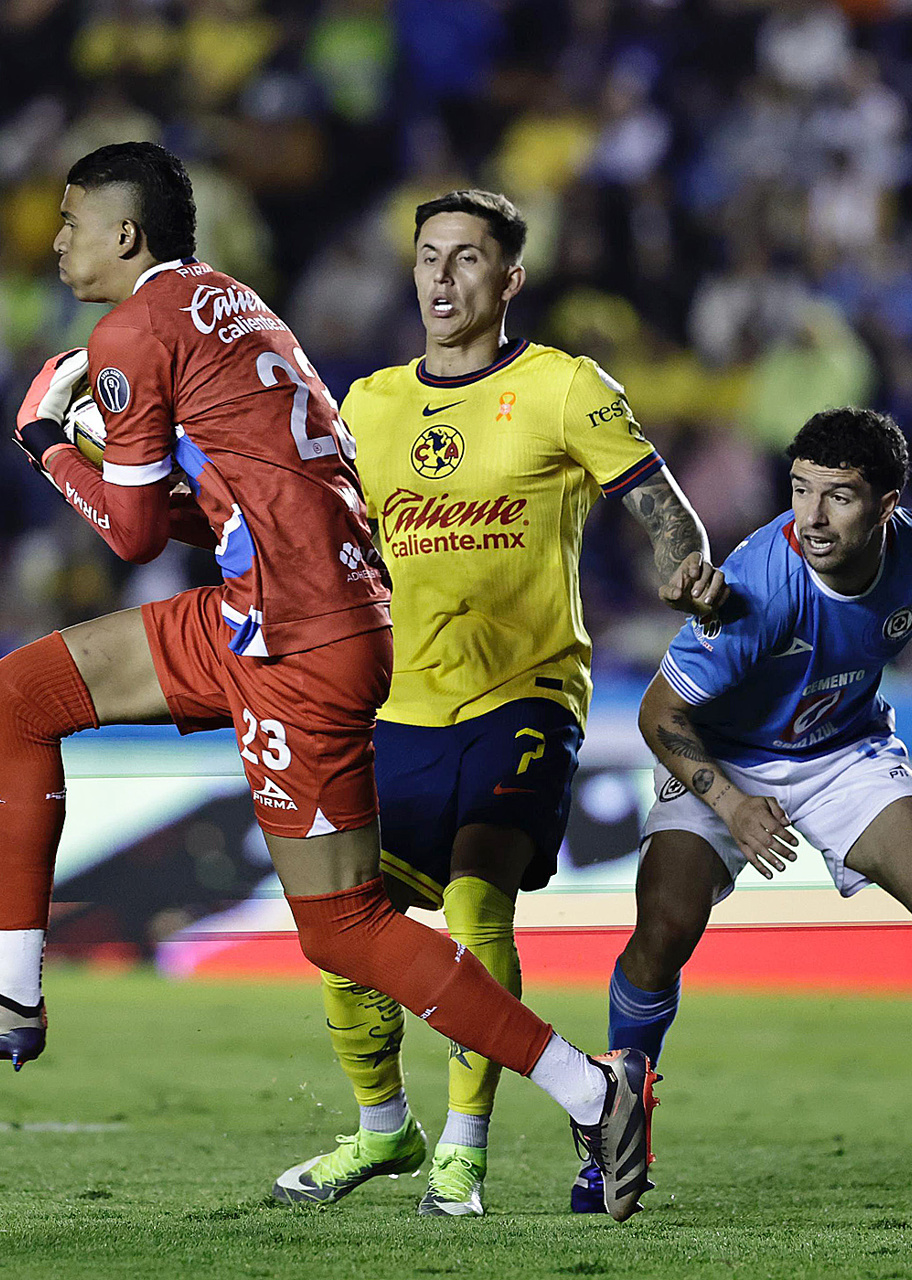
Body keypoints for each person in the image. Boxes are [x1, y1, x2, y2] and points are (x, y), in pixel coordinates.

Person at [0, 143, 658, 1220]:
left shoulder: (133, 328)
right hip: (276, 611)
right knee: (21, 694)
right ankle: (7, 987)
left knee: (343, 926)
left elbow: (134, 534)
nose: (54, 241)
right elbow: (231, 506)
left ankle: (590, 1085)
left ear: (126, 235)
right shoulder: (231, 304)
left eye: (70, 219)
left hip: (296, 638)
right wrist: (118, 458)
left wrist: (48, 442)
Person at [271, 189, 725, 1217]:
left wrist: (684, 560)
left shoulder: (564, 388)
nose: (441, 277)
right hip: (396, 704)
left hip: (526, 695)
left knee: (479, 895)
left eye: (467, 258)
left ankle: (464, 1152)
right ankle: (383, 1128)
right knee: (341, 922)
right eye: (428, 256)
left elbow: (657, 500)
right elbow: (321, 544)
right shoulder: (373, 405)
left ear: (508, 278)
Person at [605, 406, 912, 1221]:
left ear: (887, 505)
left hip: (843, 753)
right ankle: (615, 1130)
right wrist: (731, 802)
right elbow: (657, 717)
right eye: (799, 491)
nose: (812, 518)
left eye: (839, 497)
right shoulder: (755, 586)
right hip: (723, 758)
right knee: (662, 933)